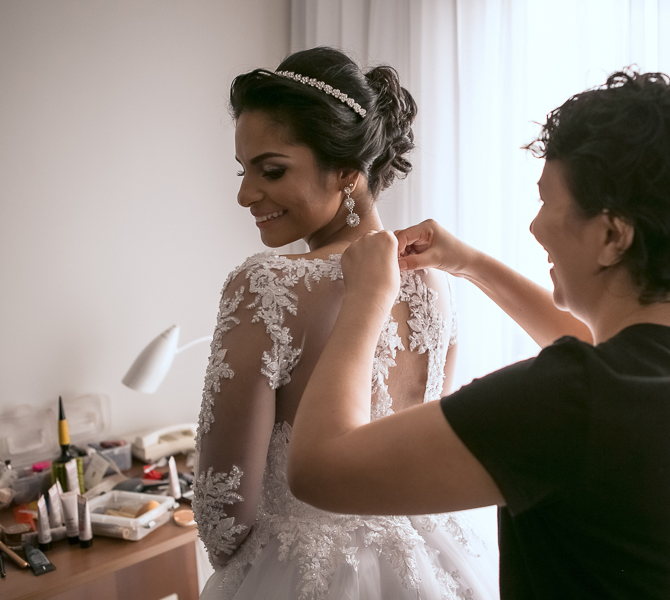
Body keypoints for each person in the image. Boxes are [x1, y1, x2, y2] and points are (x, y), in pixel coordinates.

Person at [287, 71, 670, 599]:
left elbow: (318, 469)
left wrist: (367, 299)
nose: (535, 227)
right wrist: (471, 264)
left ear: (611, 235)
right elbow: (612, 360)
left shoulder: (567, 400)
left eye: (546, 202)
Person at [192, 46, 498, 600]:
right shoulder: (436, 280)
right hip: (435, 567)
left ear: (348, 173)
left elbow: (223, 510)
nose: (244, 194)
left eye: (272, 170)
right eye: (244, 171)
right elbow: (425, 452)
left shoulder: (267, 285)